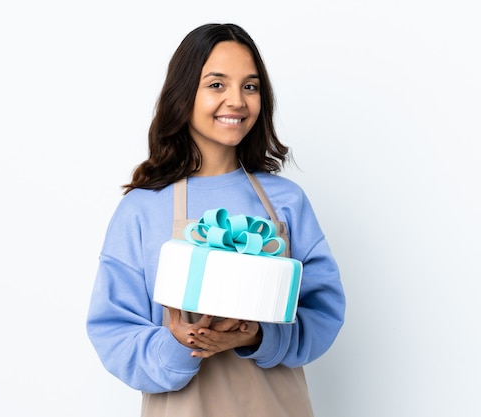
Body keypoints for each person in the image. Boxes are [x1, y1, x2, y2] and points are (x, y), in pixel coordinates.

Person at [86, 23, 345, 417]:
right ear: (184, 93)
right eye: (217, 85)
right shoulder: (142, 208)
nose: (237, 101)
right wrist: (181, 345)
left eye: (250, 86)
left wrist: (259, 337)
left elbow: (323, 311)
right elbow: (112, 330)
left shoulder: (286, 201)